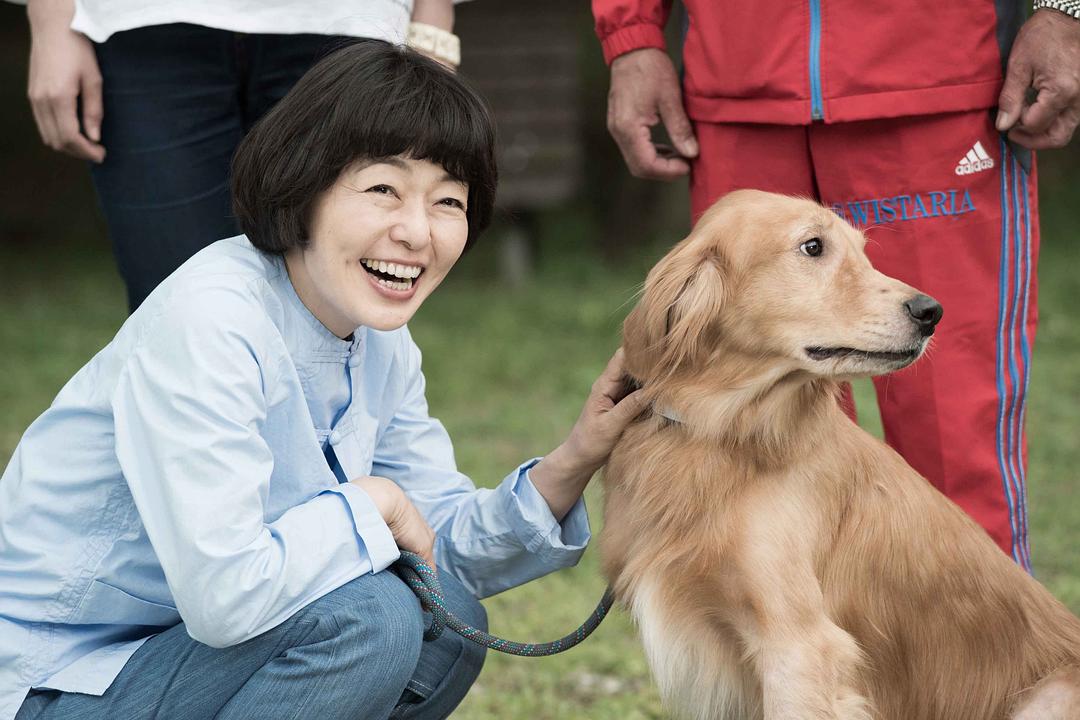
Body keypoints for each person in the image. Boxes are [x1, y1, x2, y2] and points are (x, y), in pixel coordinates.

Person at [0, 41, 646, 720]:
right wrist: (373, 503)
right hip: (53, 680)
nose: (416, 232)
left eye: (447, 202)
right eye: (383, 191)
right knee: (369, 619)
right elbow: (227, 596)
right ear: (304, 186)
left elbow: (437, 549)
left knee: (442, 620)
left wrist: (577, 457)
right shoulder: (210, 320)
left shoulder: (378, 344)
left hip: (174, 658)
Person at [592, 0, 1080, 570]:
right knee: (742, 443)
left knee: (957, 448)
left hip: (937, 80)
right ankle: (799, 654)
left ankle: (994, 660)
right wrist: (632, 34)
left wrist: (1063, 10)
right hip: (737, 83)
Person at [22, 0, 462, 311]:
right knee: (173, 307)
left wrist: (433, 22)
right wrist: (50, 14)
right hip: (147, 23)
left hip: (347, 20)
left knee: (347, 301)